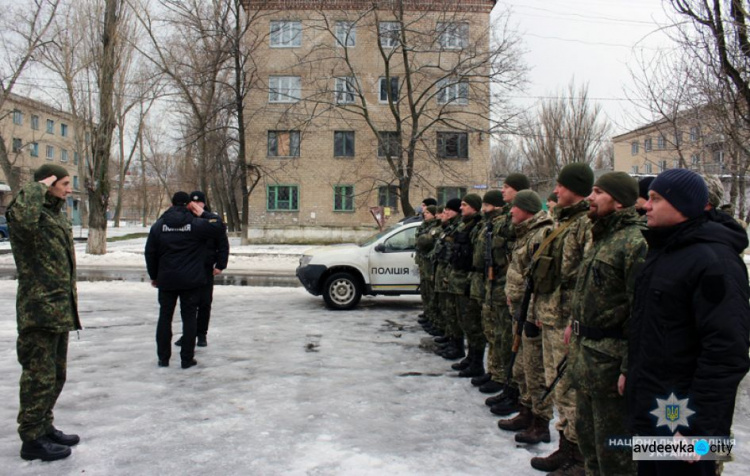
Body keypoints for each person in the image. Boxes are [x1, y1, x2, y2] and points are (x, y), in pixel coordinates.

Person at [627, 169, 750, 476]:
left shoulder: (714, 261)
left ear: (683, 205)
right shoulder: (665, 251)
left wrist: (699, 428)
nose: (646, 206)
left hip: (683, 418)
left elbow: (726, 353)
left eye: (656, 198)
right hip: (656, 407)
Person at [567, 172, 646, 475]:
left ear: (619, 201)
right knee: (589, 447)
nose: (590, 197)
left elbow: (641, 313)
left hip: (611, 368)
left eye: (598, 192)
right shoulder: (603, 236)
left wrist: (629, 366)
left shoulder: (635, 243)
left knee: (616, 456)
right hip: (587, 360)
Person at [7, 164, 82, 461]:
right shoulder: (27, 214)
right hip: (37, 310)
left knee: (56, 375)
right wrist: (37, 186)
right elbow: (22, 218)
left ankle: (44, 425)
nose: (68, 188)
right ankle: (31, 438)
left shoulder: (54, 215)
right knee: (38, 376)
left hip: (59, 309)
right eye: (63, 183)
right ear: (47, 184)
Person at [529, 163, 593, 474]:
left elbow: (587, 279)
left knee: (570, 390)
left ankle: (577, 457)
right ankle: (564, 448)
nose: (556, 191)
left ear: (576, 188)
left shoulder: (585, 224)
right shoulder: (563, 222)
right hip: (553, 317)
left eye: (561, 186)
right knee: (560, 388)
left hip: (569, 322)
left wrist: (574, 320)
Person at [497, 190, 555, 445]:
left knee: (535, 371)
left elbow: (542, 281)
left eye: (515, 207)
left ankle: (540, 424)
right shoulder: (526, 233)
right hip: (520, 310)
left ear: (528, 209)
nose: (510, 211)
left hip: (532, 314)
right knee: (522, 368)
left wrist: (532, 312)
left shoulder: (541, 235)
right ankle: (526, 411)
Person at [145, 191, 225, 369]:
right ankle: (186, 359)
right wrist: (203, 213)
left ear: (172, 204)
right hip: (191, 280)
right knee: (189, 318)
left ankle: (163, 358)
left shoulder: (159, 225)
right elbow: (219, 227)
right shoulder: (195, 224)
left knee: (165, 317)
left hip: (166, 280)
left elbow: (150, 252)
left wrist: (154, 276)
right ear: (189, 204)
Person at [485, 173, 529, 411]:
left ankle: (511, 389)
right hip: (504, 287)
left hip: (515, 291)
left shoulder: (521, 220)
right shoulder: (504, 218)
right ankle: (505, 384)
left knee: (512, 344)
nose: (503, 191)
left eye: (507, 187)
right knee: (500, 337)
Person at [174, 191, 229, 348]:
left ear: (204, 204)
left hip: (206, 268)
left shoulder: (211, 219)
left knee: (205, 303)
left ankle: (201, 334)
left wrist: (220, 265)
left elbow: (223, 244)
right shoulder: (185, 219)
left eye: (200, 203)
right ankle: (188, 334)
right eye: (194, 203)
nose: (197, 205)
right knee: (189, 305)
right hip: (189, 268)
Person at [469, 190, 507, 395]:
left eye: (487, 206)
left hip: (499, 286)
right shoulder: (487, 226)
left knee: (497, 334)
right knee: (489, 330)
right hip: (487, 283)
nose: (484, 209)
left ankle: (499, 376)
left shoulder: (501, 225)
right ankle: (493, 371)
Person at [446, 193, 485, 375]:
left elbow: (476, 258)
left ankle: (476, 363)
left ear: (475, 208)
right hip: (459, 281)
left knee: (473, 324)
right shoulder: (464, 226)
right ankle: (470, 358)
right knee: (464, 321)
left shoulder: (478, 227)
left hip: (469, 282)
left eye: (465, 205)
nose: (461, 208)